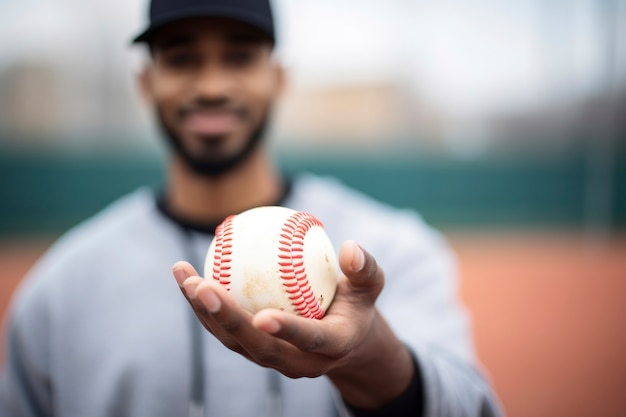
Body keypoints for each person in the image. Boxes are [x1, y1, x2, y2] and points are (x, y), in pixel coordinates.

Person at [0, 0, 503, 416]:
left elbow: (470, 405)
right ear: (146, 84)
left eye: (239, 57)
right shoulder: (63, 287)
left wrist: (370, 358)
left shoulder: (391, 248)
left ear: (279, 78)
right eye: (181, 59)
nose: (213, 86)